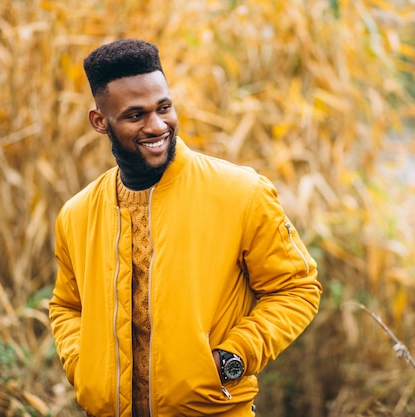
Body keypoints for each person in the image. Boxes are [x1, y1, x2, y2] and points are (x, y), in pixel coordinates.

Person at [48, 38, 322, 417]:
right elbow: (66, 306)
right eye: (135, 115)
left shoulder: (240, 193)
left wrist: (233, 358)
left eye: (164, 108)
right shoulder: (76, 214)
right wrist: (84, 369)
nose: (156, 126)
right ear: (100, 122)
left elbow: (297, 288)